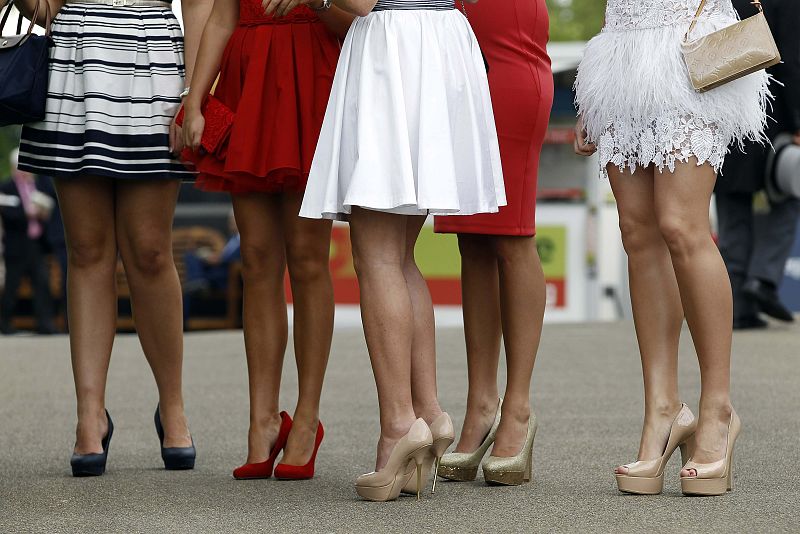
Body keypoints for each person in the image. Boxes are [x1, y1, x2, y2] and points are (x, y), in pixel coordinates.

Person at [298, 0, 504, 501]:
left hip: (396, 46)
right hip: (437, 38)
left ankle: (397, 425)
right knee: (399, 253)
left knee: (379, 257)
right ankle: (428, 411)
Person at [574, 0, 770, 496]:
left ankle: (717, 410)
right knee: (637, 234)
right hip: (620, 48)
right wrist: (591, 94)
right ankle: (661, 410)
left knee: (682, 226)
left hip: (691, 40)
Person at [13, 0, 205, 476]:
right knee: (87, 249)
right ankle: (89, 415)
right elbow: (37, 6)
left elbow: (201, 5)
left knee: (150, 249)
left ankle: (173, 407)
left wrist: (196, 93)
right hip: (75, 57)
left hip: (156, 55)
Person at [181, 0, 353, 480]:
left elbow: (360, 14)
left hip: (310, 75)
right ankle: (261, 420)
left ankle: (307, 418)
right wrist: (195, 99)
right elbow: (221, 17)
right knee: (256, 260)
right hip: (247, 80)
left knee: (308, 258)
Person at [433, 0, 552, 487]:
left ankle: (518, 408)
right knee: (472, 242)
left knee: (512, 238)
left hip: (509, 55)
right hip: (454, 59)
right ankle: (480, 403)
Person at [715, 0, 800, 330]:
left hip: (724, 115)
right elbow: (792, 58)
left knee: (732, 207)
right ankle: (763, 279)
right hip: (770, 115)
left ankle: (738, 305)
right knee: (789, 196)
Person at [0, 149, 57, 335]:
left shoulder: (38, 185)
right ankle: (5, 323)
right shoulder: (6, 187)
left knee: (42, 283)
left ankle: (45, 323)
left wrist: (42, 213)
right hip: (16, 245)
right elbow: (7, 213)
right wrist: (26, 213)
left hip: (35, 244)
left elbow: (50, 207)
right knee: (12, 286)